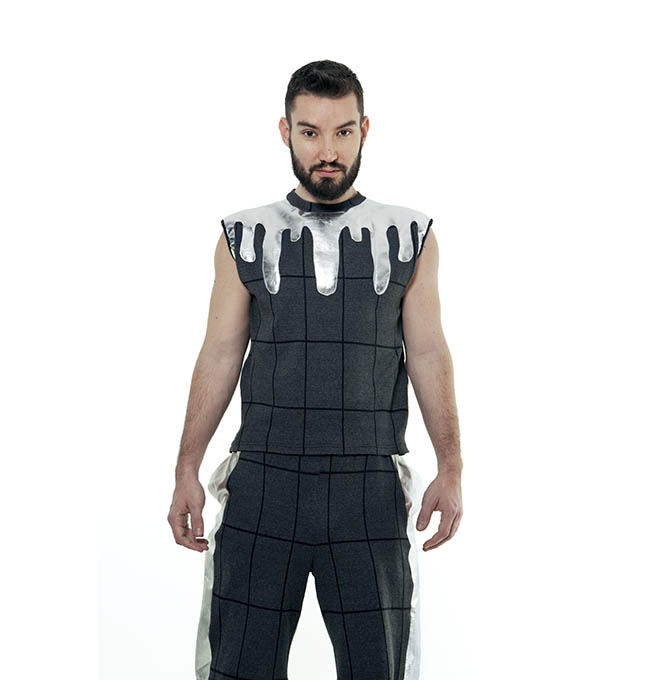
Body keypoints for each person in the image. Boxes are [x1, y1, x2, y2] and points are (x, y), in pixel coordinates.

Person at [168, 59, 463, 680]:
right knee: (237, 667)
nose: (327, 151)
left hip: (368, 483)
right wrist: (186, 469)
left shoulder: (408, 235)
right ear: (285, 132)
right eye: (310, 132)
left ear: (364, 130)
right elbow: (220, 352)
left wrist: (451, 466)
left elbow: (429, 351)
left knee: (378, 667)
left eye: (343, 132)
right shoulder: (244, 235)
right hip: (264, 480)